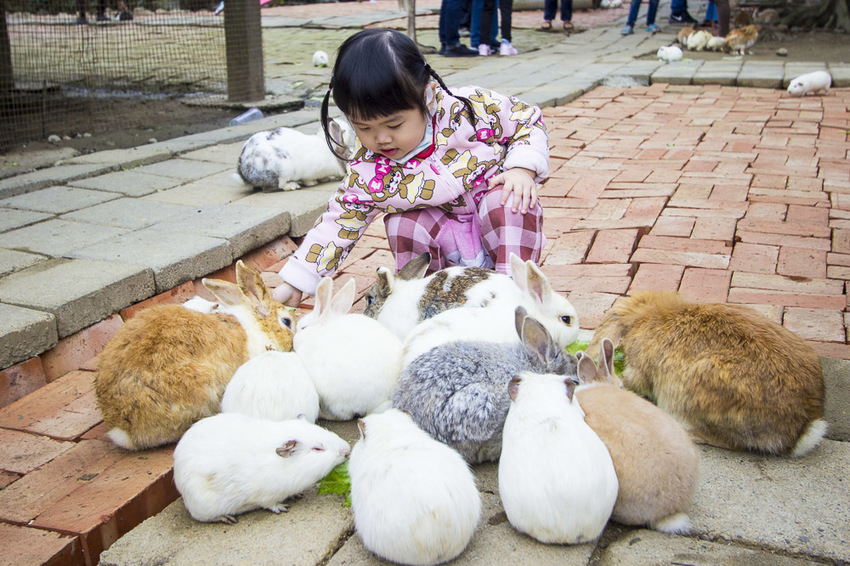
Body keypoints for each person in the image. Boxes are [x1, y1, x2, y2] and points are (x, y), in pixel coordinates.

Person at [272, 28, 549, 307]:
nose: (381, 138)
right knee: (403, 224)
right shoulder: (370, 169)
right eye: (364, 127)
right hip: (444, 246)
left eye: (394, 125)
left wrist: (521, 169)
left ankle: (516, 298)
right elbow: (340, 221)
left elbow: (527, 120)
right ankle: (430, 303)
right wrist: (297, 281)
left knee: (511, 198)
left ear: (426, 96)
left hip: (498, 233)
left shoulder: (468, 109)